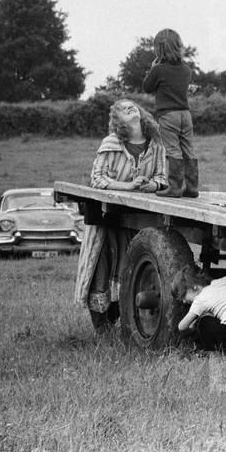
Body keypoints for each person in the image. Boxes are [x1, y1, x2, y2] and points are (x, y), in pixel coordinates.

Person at [74, 99, 169, 332]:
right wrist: (127, 187)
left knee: (131, 267)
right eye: (124, 109)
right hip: (106, 218)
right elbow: (97, 179)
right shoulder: (111, 143)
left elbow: (163, 178)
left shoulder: (155, 145)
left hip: (138, 219)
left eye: (133, 106)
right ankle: (102, 329)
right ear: (118, 120)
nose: (131, 108)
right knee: (102, 269)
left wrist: (152, 186)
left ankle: (130, 324)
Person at [142, 28, 198, 199]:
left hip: (168, 115)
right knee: (188, 150)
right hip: (185, 115)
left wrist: (152, 69)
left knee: (173, 150)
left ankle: (174, 187)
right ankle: (192, 187)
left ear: (159, 50)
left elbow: (147, 87)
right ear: (179, 46)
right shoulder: (187, 70)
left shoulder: (159, 70)